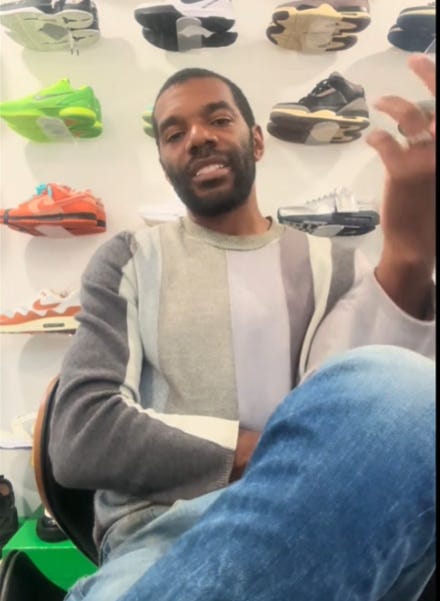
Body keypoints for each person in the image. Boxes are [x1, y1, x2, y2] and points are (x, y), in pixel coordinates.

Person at [49, 54, 436, 601]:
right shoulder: (130, 257)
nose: (197, 138)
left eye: (218, 120)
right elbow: (82, 434)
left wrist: (410, 258)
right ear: (165, 163)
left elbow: (390, 418)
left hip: (320, 524)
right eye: (174, 134)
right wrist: (276, 453)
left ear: (256, 142)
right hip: (162, 535)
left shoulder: (337, 266)